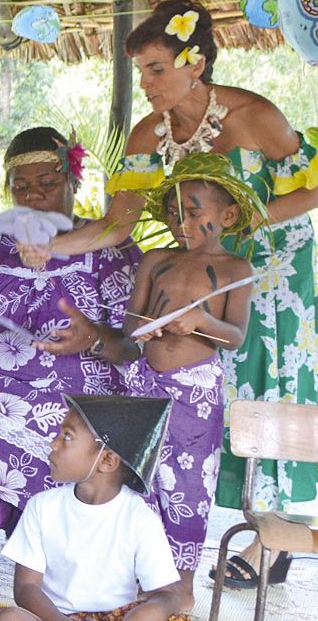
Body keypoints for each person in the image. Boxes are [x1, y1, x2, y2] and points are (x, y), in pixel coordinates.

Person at [34, 0, 318, 576]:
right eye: (140, 70)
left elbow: (312, 194)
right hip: (193, 265)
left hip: (270, 266)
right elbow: (119, 224)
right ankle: (168, 536)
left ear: (195, 64)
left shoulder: (254, 115)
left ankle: (273, 533)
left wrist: (240, 221)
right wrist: (54, 246)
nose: (145, 82)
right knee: (199, 394)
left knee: (266, 383)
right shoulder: (148, 133)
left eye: (156, 69)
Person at [0, 126, 140, 580]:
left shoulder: (110, 250)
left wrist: (92, 337)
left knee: (74, 432)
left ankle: (55, 552)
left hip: (76, 394)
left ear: (74, 183)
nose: (34, 197)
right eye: (22, 187)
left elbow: (134, 348)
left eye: (48, 185)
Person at [41, 154, 259, 579]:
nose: (182, 225)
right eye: (174, 214)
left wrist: (201, 321)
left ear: (228, 214)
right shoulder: (156, 260)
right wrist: (145, 330)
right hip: (143, 385)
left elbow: (234, 335)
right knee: (136, 478)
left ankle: (181, 584)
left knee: (187, 485)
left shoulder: (236, 270)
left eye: (194, 214)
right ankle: (131, 574)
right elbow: (130, 324)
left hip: (195, 392)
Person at [0, 396, 200, 621]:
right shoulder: (43, 507)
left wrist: (152, 612)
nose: (53, 444)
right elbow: (25, 588)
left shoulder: (139, 519)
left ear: (107, 461)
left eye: (67, 436)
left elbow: (168, 594)